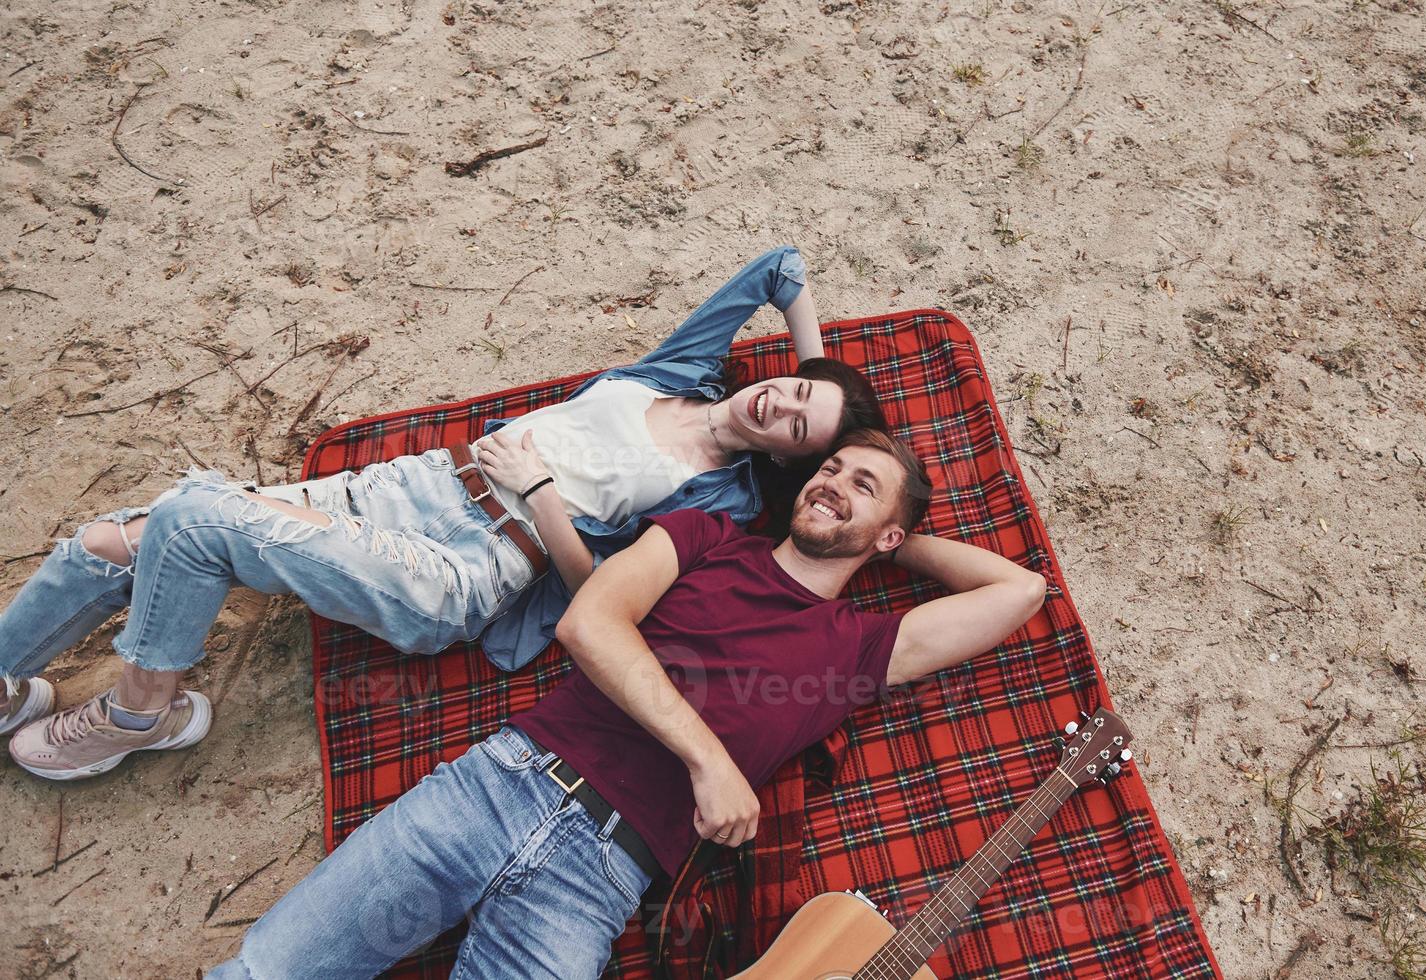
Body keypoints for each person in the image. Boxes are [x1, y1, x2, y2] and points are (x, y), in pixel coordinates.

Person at [1, 246, 886, 781]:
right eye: (794, 389)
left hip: (470, 567)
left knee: (193, 517)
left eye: (799, 424)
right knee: (105, 545)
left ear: (787, 458)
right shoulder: (679, 372)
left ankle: (139, 715)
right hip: (397, 490)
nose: (781, 403)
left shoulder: (718, 500)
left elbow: (605, 602)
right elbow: (781, 267)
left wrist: (540, 498)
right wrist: (839, 392)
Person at [205, 428, 1049, 979]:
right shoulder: (705, 539)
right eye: (828, 469)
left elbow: (1020, 590)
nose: (831, 484)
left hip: (599, 878)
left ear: (890, 533)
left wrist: (886, 544)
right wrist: (709, 759)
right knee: (268, 973)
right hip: (499, 788)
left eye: (861, 486)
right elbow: (591, 621)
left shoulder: (864, 647)